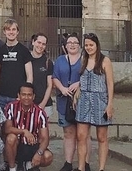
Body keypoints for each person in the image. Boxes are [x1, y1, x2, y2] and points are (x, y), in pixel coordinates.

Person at [75, 33, 113, 171]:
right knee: (81, 136)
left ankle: (101, 168)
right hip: (84, 99)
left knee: (102, 136)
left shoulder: (105, 61)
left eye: (91, 45)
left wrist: (110, 104)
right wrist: (79, 87)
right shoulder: (83, 59)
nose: (89, 47)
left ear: (97, 45)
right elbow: (82, 77)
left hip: (100, 100)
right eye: (86, 45)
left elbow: (110, 84)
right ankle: (81, 167)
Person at [3, 82, 53, 171]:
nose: (26, 97)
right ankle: (12, 167)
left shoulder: (40, 113)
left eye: (29, 95)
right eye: (23, 94)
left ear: (33, 96)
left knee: (48, 157)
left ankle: (28, 165)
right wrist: (24, 131)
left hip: (32, 146)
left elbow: (45, 138)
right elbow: (7, 129)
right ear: (18, 95)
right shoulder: (11, 107)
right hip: (16, 145)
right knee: (11, 138)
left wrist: (39, 153)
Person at [51, 34, 82, 171]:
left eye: (75, 42)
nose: (72, 44)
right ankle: (68, 162)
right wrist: (62, 88)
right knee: (68, 133)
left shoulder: (85, 60)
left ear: (79, 45)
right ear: (65, 46)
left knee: (83, 134)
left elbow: (91, 75)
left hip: (82, 101)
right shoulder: (59, 60)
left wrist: (79, 83)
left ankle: (84, 164)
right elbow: (55, 77)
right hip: (64, 99)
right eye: (70, 42)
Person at [0, 20, 33, 110]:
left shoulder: (24, 51)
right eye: (8, 29)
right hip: (1, 97)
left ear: (17, 32)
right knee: (0, 124)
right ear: (4, 32)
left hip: (17, 97)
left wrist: (24, 95)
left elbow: (29, 76)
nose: (11, 32)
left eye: (13, 29)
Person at [30, 34, 54, 118]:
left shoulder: (48, 62)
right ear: (33, 42)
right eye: (39, 42)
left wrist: (42, 104)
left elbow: (49, 85)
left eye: (43, 44)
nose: (40, 46)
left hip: (44, 104)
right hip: (27, 102)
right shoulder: (26, 59)